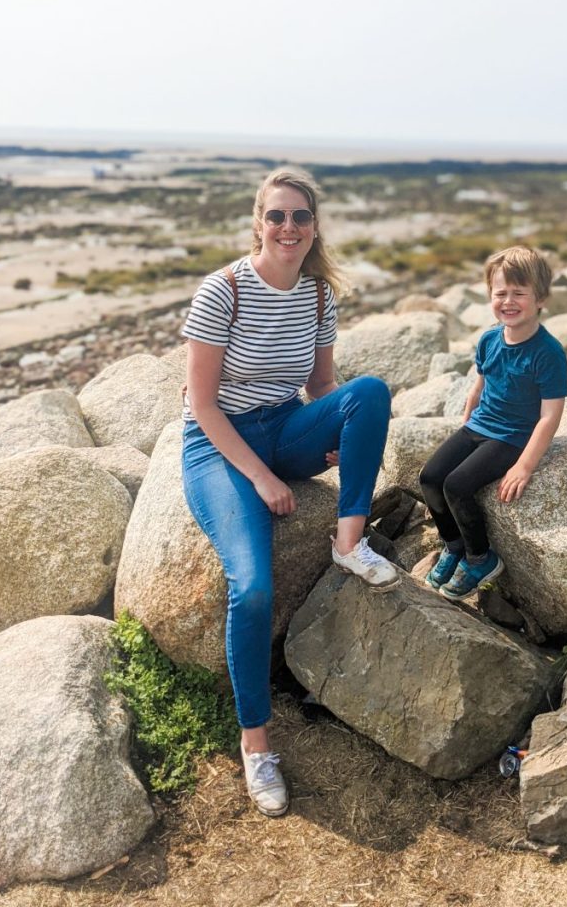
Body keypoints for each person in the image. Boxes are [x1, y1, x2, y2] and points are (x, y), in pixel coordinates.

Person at [181, 167, 398, 818]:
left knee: (371, 393)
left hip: (284, 424)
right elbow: (202, 404)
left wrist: (338, 432)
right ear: (259, 221)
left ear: (314, 227)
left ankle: (348, 541)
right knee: (251, 587)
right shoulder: (222, 292)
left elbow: (323, 389)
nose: (288, 227)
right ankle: (256, 746)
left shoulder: (317, 298)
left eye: (300, 217)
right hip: (217, 444)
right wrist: (263, 476)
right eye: (277, 216)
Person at [419, 246, 567, 601]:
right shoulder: (490, 338)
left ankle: (479, 558)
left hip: (513, 437)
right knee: (430, 477)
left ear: (541, 299)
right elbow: (480, 384)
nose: (509, 301)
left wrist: (525, 466)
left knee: (456, 485)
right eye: (500, 293)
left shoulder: (548, 353)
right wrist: (467, 418)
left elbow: (550, 415)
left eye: (519, 293)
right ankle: (453, 544)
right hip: (479, 428)